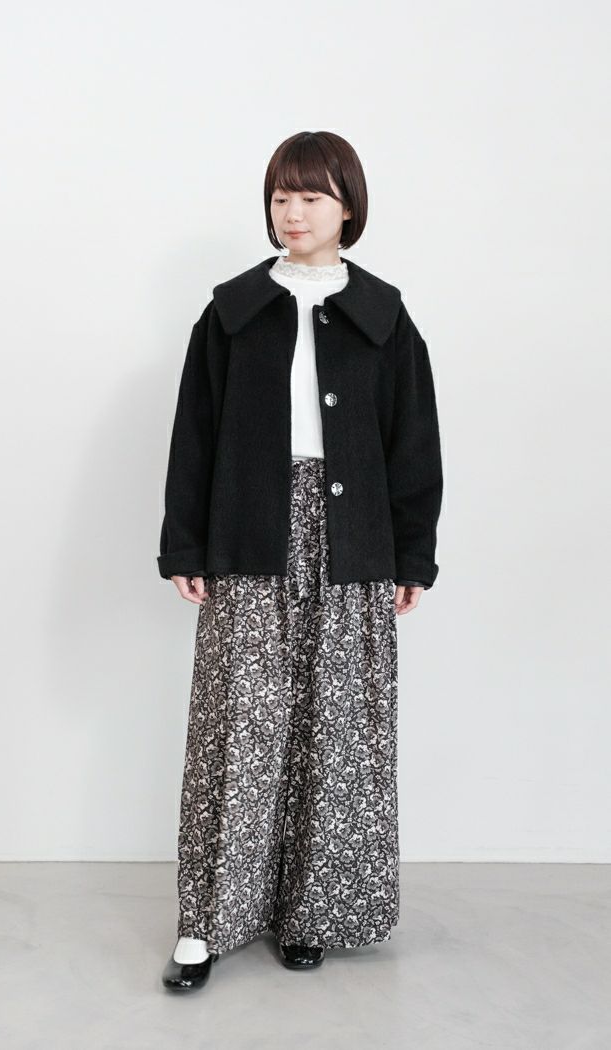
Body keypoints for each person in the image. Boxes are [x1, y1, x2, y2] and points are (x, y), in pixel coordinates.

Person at [158, 130, 443, 991]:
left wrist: (412, 554)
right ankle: (207, 924)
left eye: (312, 196)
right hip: (249, 533)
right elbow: (194, 434)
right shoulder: (232, 313)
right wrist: (185, 543)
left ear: (347, 207)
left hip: (353, 542)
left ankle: (308, 913)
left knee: (337, 730)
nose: (293, 211)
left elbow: (414, 443)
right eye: (282, 195)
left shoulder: (384, 317)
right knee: (237, 731)